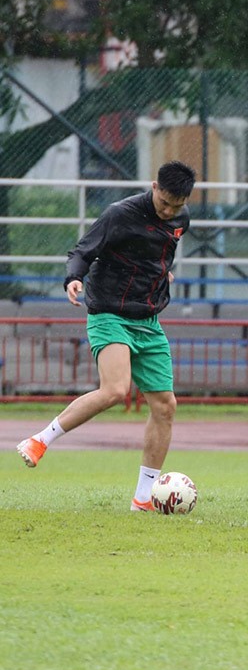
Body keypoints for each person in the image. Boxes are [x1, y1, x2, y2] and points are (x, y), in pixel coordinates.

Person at [16, 161, 197, 512]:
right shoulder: (120, 213)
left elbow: (160, 254)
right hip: (109, 312)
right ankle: (40, 440)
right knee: (115, 390)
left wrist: (163, 274)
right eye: (165, 203)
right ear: (154, 187)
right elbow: (83, 250)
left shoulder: (181, 218)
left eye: (177, 205)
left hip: (148, 319)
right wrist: (73, 277)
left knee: (165, 406)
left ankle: (143, 498)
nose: (170, 211)